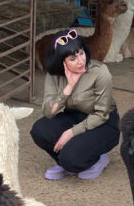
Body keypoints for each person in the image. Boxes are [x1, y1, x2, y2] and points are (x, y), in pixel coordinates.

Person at [31, 28, 120, 180]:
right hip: (74, 116)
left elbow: (101, 114)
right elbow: (48, 112)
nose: (80, 61)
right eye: (72, 58)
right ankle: (64, 163)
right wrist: (69, 87)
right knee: (40, 130)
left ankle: (97, 159)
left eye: (81, 53)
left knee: (72, 158)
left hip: (102, 122)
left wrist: (70, 133)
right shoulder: (54, 75)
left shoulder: (100, 72)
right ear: (61, 61)